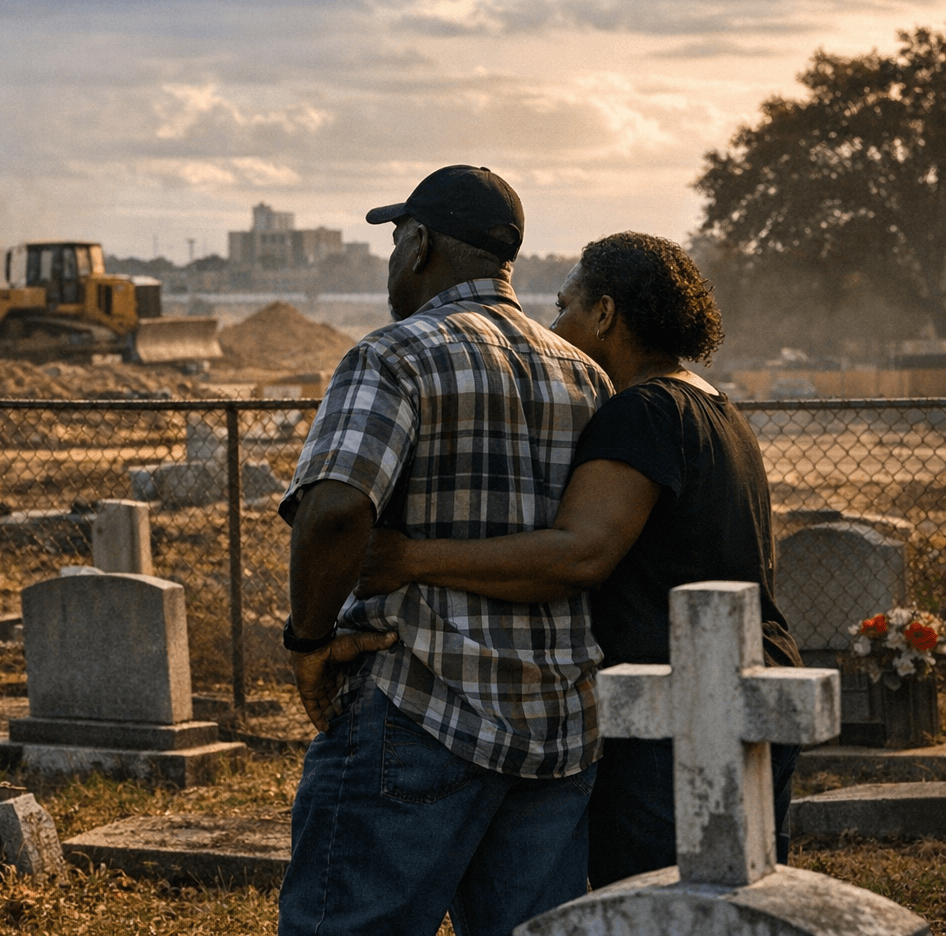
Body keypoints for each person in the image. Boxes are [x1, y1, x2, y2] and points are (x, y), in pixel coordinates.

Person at [356, 230, 803, 889]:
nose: (553, 322)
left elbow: (578, 555)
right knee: (738, 900)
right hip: (749, 679)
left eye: (565, 305)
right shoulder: (712, 404)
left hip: (676, 709)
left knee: (658, 903)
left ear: (605, 314)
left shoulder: (641, 411)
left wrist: (410, 557)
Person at [277, 165, 614, 936]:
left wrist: (309, 640)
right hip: (556, 728)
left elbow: (332, 512)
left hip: (418, 705)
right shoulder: (586, 375)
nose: (393, 264)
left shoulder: (395, 354)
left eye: (395, 243)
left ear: (420, 244)